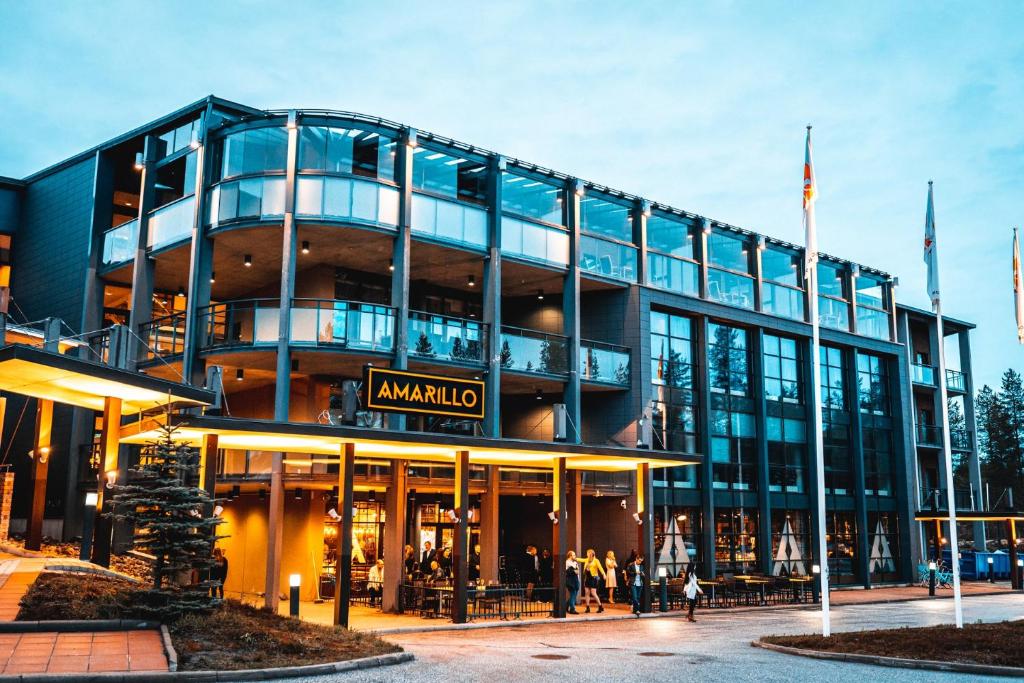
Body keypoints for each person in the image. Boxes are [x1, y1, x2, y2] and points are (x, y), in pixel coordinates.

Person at [581, 548, 606, 613]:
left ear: (592, 554)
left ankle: (600, 606)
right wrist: (574, 558)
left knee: (593, 593)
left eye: (588, 553)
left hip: (593, 578)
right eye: (587, 553)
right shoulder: (586, 560)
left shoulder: (596, 560)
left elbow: (600, 568)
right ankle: (587, 607)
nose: (587, 554)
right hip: (587, 578)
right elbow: (580, 559)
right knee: (587, 593)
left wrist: (604, 574)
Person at [564, 550, 580, 615]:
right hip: (570, 580)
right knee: (573, 593)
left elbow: (577, 572)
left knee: (574, 595)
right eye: (573, 555)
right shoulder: (567, 562)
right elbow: (573, 571)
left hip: (576, 580)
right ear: (570, 556)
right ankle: (572, 609)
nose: (575, 556)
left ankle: (566, 605)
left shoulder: (575, 562)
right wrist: (575, 571)